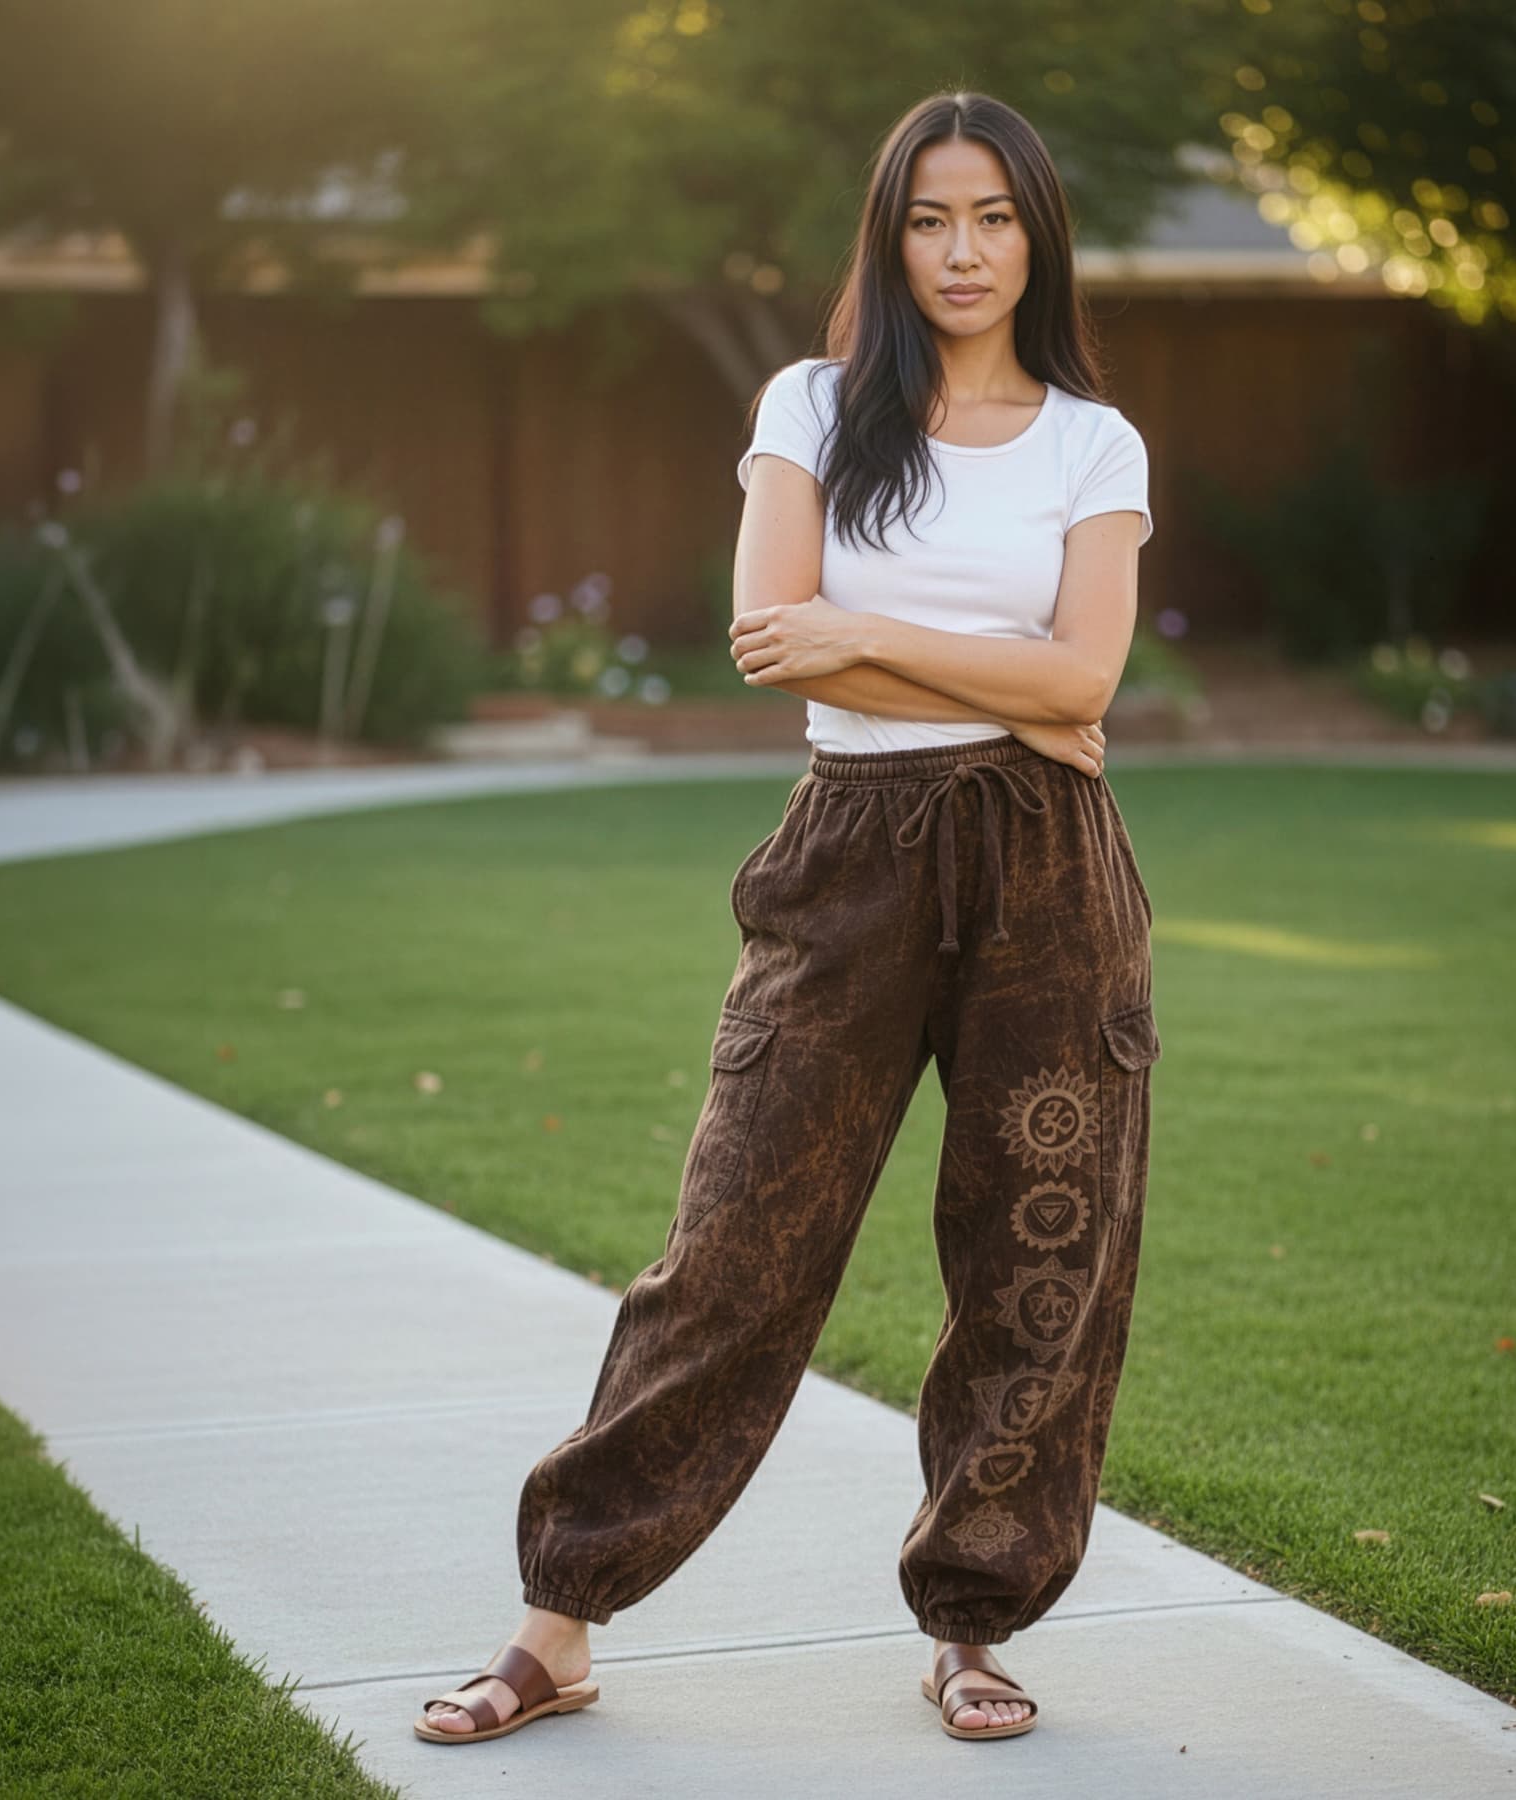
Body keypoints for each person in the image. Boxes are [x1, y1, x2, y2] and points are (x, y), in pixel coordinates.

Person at [416, 86, 1157, 1749]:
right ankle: (559, 1624)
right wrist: (998, 684)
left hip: (1052, 876)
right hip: (853, 855)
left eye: (994, 218)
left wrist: (871, 638)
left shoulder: (1092, 441)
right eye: (928, 218)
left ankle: (974, 1622)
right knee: (733, 1246)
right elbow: (772, 633)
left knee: (1040, 1255)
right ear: (888, 237)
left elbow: (1087, 682)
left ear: (1037, 236)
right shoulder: (812, 405)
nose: (963, 251)